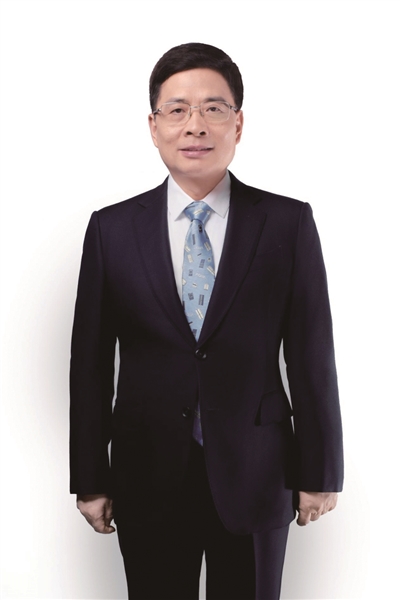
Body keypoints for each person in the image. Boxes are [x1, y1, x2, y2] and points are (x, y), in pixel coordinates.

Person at [70, 42, 344, 600]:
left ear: (238, 123)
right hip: (146, 471)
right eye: (177, 110)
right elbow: (90, 366)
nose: (195, 125)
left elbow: (312, 355)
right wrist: (90, 478)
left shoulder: (287, 223)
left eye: (213, 108)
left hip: (257, 470)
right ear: (154, 127)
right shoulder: (111, 230)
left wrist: (320, 471)